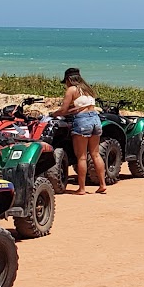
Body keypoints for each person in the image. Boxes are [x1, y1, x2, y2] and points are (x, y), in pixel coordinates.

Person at [54, 67, 107, 195]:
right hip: (95, 119)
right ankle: (102, 184)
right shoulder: (87, 89)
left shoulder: (71, 90)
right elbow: (84, 106)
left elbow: (63, 110)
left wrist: (53, 114)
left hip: (83, 122)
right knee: (95, 154)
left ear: (68, 79)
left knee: (81, 157)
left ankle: (82, 188)